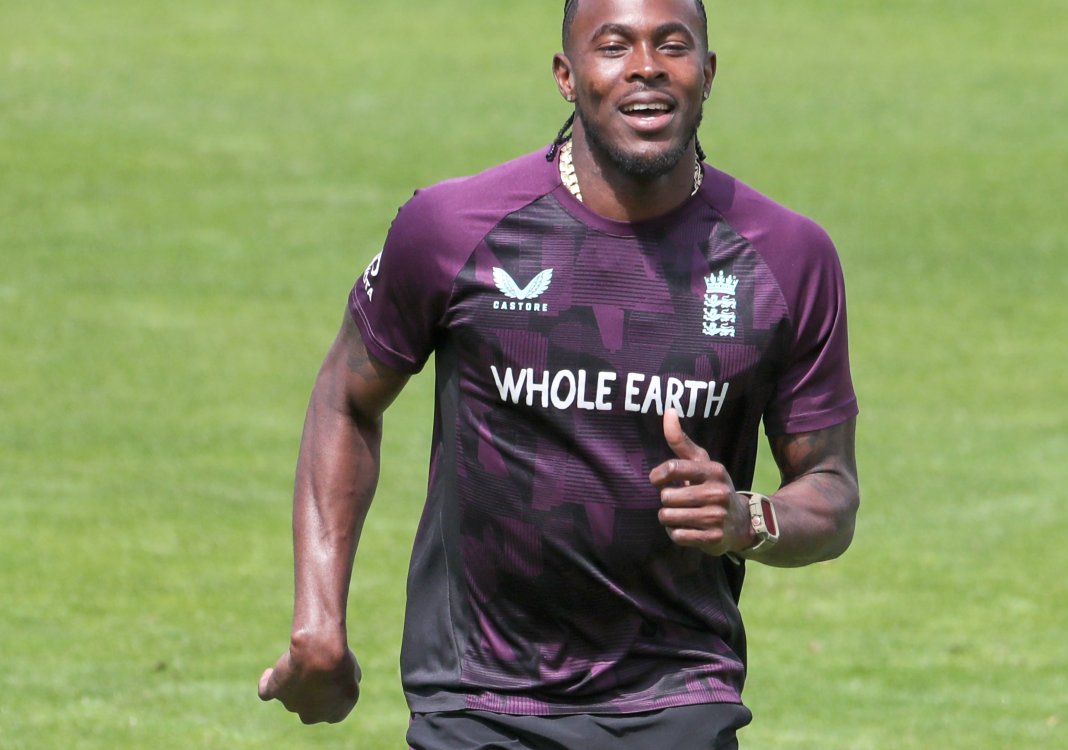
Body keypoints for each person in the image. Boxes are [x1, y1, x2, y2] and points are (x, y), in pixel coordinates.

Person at [258, 0, 860, 746]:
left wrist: (748, 519)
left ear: (707, 74)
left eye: (672, 45)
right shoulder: (453, 229)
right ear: (566, 76)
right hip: (478, 700)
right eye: (614, 45)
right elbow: (346, 399)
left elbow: (831, 490)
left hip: (677, 696)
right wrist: (318, 624)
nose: (646, 67)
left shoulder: (788, 258)